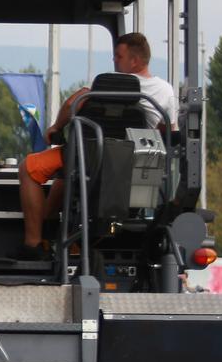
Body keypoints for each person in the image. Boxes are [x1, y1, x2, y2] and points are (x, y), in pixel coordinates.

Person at [18, 32, 178, 255]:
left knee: (29, 168)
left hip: (88, 158)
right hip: (131, 167)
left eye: (118, 56)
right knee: (65, 178)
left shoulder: (105, 83)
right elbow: (170, 131)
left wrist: (55, 127)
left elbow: (73, 104)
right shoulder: (165, 91)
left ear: (135, 60)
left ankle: (33, 244)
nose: (114, 60)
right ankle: (59, 233)